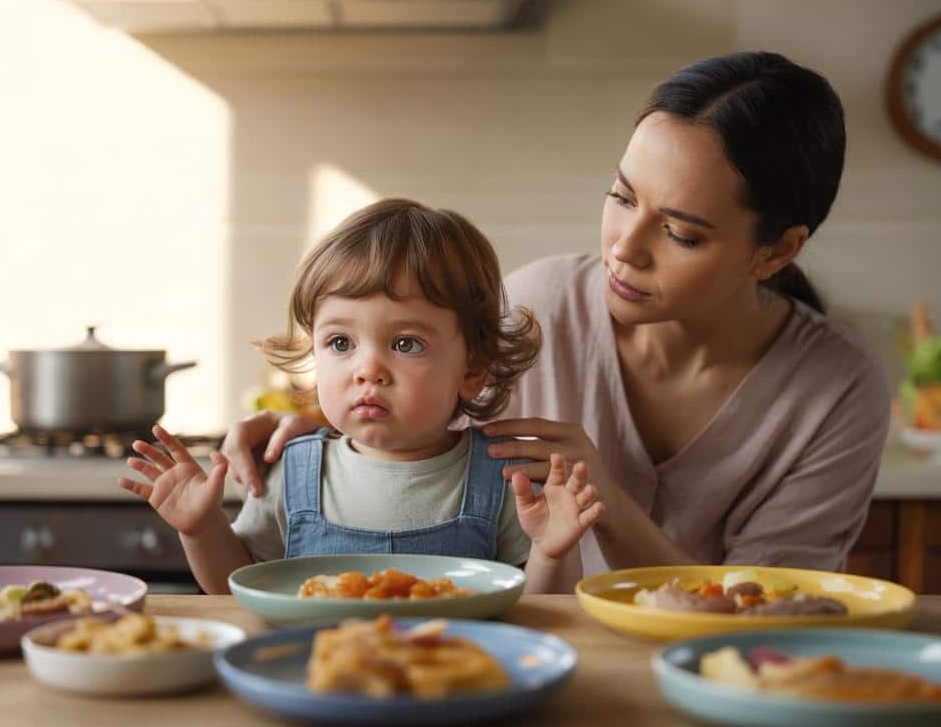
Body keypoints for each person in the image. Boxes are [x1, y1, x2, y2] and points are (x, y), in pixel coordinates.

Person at [219, 52, 891, 576]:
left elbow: (767, 621)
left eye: (681, 233)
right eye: (622, 197)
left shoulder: (836, 390)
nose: (624, 248)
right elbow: (418, 436)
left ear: (776, 251)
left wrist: (611, 509)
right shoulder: (537, 303)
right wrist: (319, 438)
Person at [119, 198, 604, 594]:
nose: (367, 370)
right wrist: (200, 529)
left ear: (472, 369)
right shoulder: (291, 471)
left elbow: (544, 615)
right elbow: (236, 594)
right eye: (340, 343)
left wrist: (552, 552)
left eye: (405, 344)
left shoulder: (504, 480)